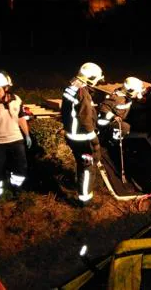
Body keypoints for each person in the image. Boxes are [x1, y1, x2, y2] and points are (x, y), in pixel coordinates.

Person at [0, 70, 31, 220]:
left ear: (6, 88)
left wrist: (26, 134)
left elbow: (21, 118)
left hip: (16, 140)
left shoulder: (16, 100)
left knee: (21, 168)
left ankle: (17, 190)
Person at [61, 62, 104, 205]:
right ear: (91, 78)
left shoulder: (72, 87)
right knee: (88, 168)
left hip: (72, 136)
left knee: (81, 164)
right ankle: (85, 200)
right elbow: (85, 119)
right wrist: (94, 139)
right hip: (83, 138)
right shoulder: (83, 93)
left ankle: (81, 187)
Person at [97, 76, 145, 144]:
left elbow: (135, 98)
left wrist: (140, 98)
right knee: (125, 127)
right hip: (108, 123)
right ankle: (113, 140)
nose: (138, 93)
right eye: (137, 92)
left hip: (121, 116)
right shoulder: (117, 99)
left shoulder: (126, 94)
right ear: (130, 91)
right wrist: (114, 117)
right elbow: (103, 108)